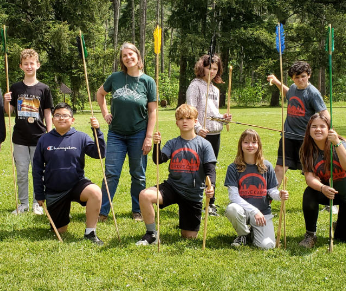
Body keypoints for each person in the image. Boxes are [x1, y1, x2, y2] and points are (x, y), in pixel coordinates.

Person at [136, 104, 215, 245]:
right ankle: (151, 234)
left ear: (195, 121)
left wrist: (211, 186)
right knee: (144, 195)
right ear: (176, 122)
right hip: (172, 187)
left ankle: (186, 217)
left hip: (192, 193)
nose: (185, 121)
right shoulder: (173, 143)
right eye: (181, 118)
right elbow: (158, 160)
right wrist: (156, 145)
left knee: (188, 237)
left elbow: (210, 170)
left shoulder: (204, 145)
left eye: (188, 118)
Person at [96, 42, 157, 222]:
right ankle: (102, 211)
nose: (128, 58)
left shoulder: (148, 81)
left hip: (139, 133)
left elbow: (153, 111)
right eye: (124, 56)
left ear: (138, 57)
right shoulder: (115, 78)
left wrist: (148, 137)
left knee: (138, 174)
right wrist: (105, 113)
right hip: (116, 134)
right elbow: (100, 94)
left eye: (131, 54)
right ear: (122, 60)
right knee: (111, 173)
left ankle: (137, 210)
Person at [32, 103, 106, 245]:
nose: (61, 118)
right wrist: (39, 194)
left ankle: (90, 233)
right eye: (57, 115)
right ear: (52, 119)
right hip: (54, 190)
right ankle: (61, 216)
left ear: (72, 120)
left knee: (95, 192)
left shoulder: (81, 137)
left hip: (76, 184)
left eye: (65, 115)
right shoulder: (44, 139)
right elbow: (37, 168)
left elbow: (100, 153)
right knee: (60, 230)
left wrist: (97, 131)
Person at [297, 114, 346, 248]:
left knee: (343, 239)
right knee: (310, 193)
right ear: (309, 130)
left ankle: (340, 223)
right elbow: (309, 178)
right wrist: (322, 188)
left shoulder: (341, 144)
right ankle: (310, 235)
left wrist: (337, 143)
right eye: (314, 126)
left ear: (329, 129)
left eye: (322, 126)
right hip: (332, 192)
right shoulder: (306, 151)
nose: (318, 129)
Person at [4, 49, 53, 215]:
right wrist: (6, 101)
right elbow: (8, 111)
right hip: (20, 138)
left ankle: (37, 203)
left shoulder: (44, 89)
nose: (29, 66)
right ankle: (23, 203)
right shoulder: (16, 87)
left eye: (32, 63)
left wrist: (50, 134)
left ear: (38, 65)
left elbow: (47, 113)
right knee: (22, 172)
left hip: (39, 137)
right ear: (21, 66)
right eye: (26, 64)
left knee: (39, 173)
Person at [224, 129, 289, 249]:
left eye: (254, 142)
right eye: (246, 142)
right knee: (232, 209)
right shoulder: (233, 168)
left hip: (263, 213)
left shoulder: (267, 166)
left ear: (258, 145)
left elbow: (271, 191)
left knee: (267, 246)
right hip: (243, 211)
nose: (250, 145)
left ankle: (254, 232)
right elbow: (233, 196)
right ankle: (243, 234)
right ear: (241, 145)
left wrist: (279, 195)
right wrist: (254, 211)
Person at [186, 53, 232, 216]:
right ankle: (195, 201)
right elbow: (190, 110)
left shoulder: (215, 89)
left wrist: (223, 119)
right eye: (208, 68)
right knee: (198, 169)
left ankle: (210, 203)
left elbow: (213, 113)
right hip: (200, 135)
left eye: (215, 68)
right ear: (202, 68)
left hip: (214, 134)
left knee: (210, 168)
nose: (212, 71)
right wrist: (197, 128)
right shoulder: (195, 85)